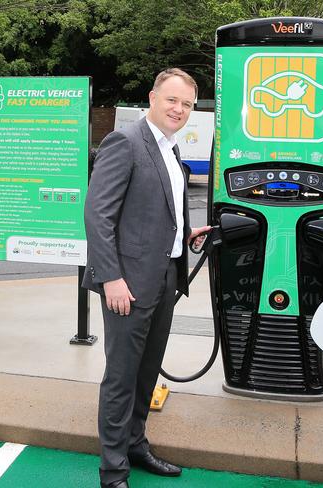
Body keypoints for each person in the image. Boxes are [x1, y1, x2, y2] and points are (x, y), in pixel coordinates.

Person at [82, 68, 210, 488]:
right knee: (121, 377)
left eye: (187, 104)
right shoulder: (127, 141)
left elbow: (156, 211)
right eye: (172, 100)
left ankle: (135, 444)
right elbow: (98, 215)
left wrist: (184, 236)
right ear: (152, 98)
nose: (179, 109)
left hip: (164, 279)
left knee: (146, 371)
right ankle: (112, 470)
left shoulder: (171, 149)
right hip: (128, 284)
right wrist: (111, 278)